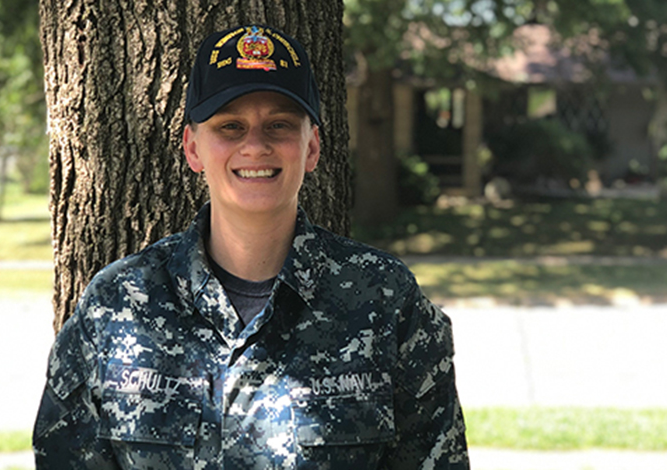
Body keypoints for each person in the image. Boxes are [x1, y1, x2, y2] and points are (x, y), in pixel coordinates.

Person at [32, 24, 469, 469]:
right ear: (193, 149)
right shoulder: (117, 305)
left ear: (312, 146)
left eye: (279, 125)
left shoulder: (385, 301)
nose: (255, 146)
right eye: (230, 126)